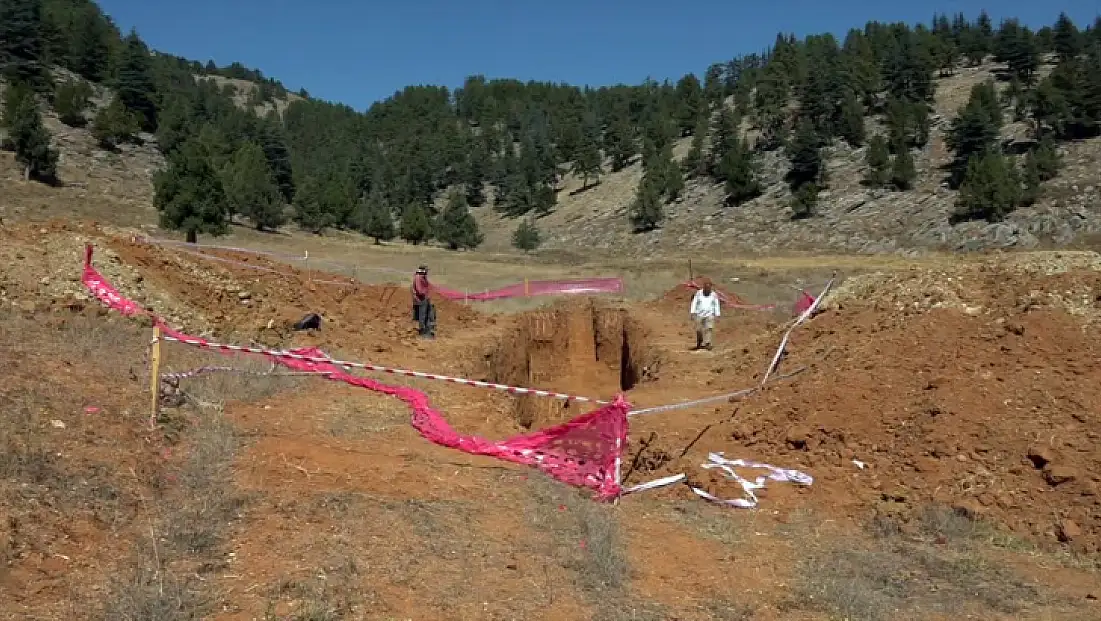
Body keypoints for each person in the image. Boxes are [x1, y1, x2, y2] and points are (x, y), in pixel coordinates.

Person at [689, 278, 720, 351]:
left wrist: (717, 314)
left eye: (709, 288)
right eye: (706, 288)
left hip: (709, 314)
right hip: (699, 314)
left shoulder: (714, 295)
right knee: (698, 329)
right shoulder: (699, 293)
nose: (707, 289)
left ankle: (708, 343)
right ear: (704, 287)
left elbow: (716, 304)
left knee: (709, 328)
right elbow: (694, 302)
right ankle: (700, 340)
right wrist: (692, 312)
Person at [411, 265, 435, 337]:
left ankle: (427, 331)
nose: (427, 272)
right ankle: (422, 331)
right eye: (426, 270)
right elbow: (419, 290)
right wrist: (424, 293)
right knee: (422, 315)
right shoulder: (418, 277)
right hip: (421, 299)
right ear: (423, 270)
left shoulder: (423, 277)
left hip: (425, 298)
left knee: (427, 315)